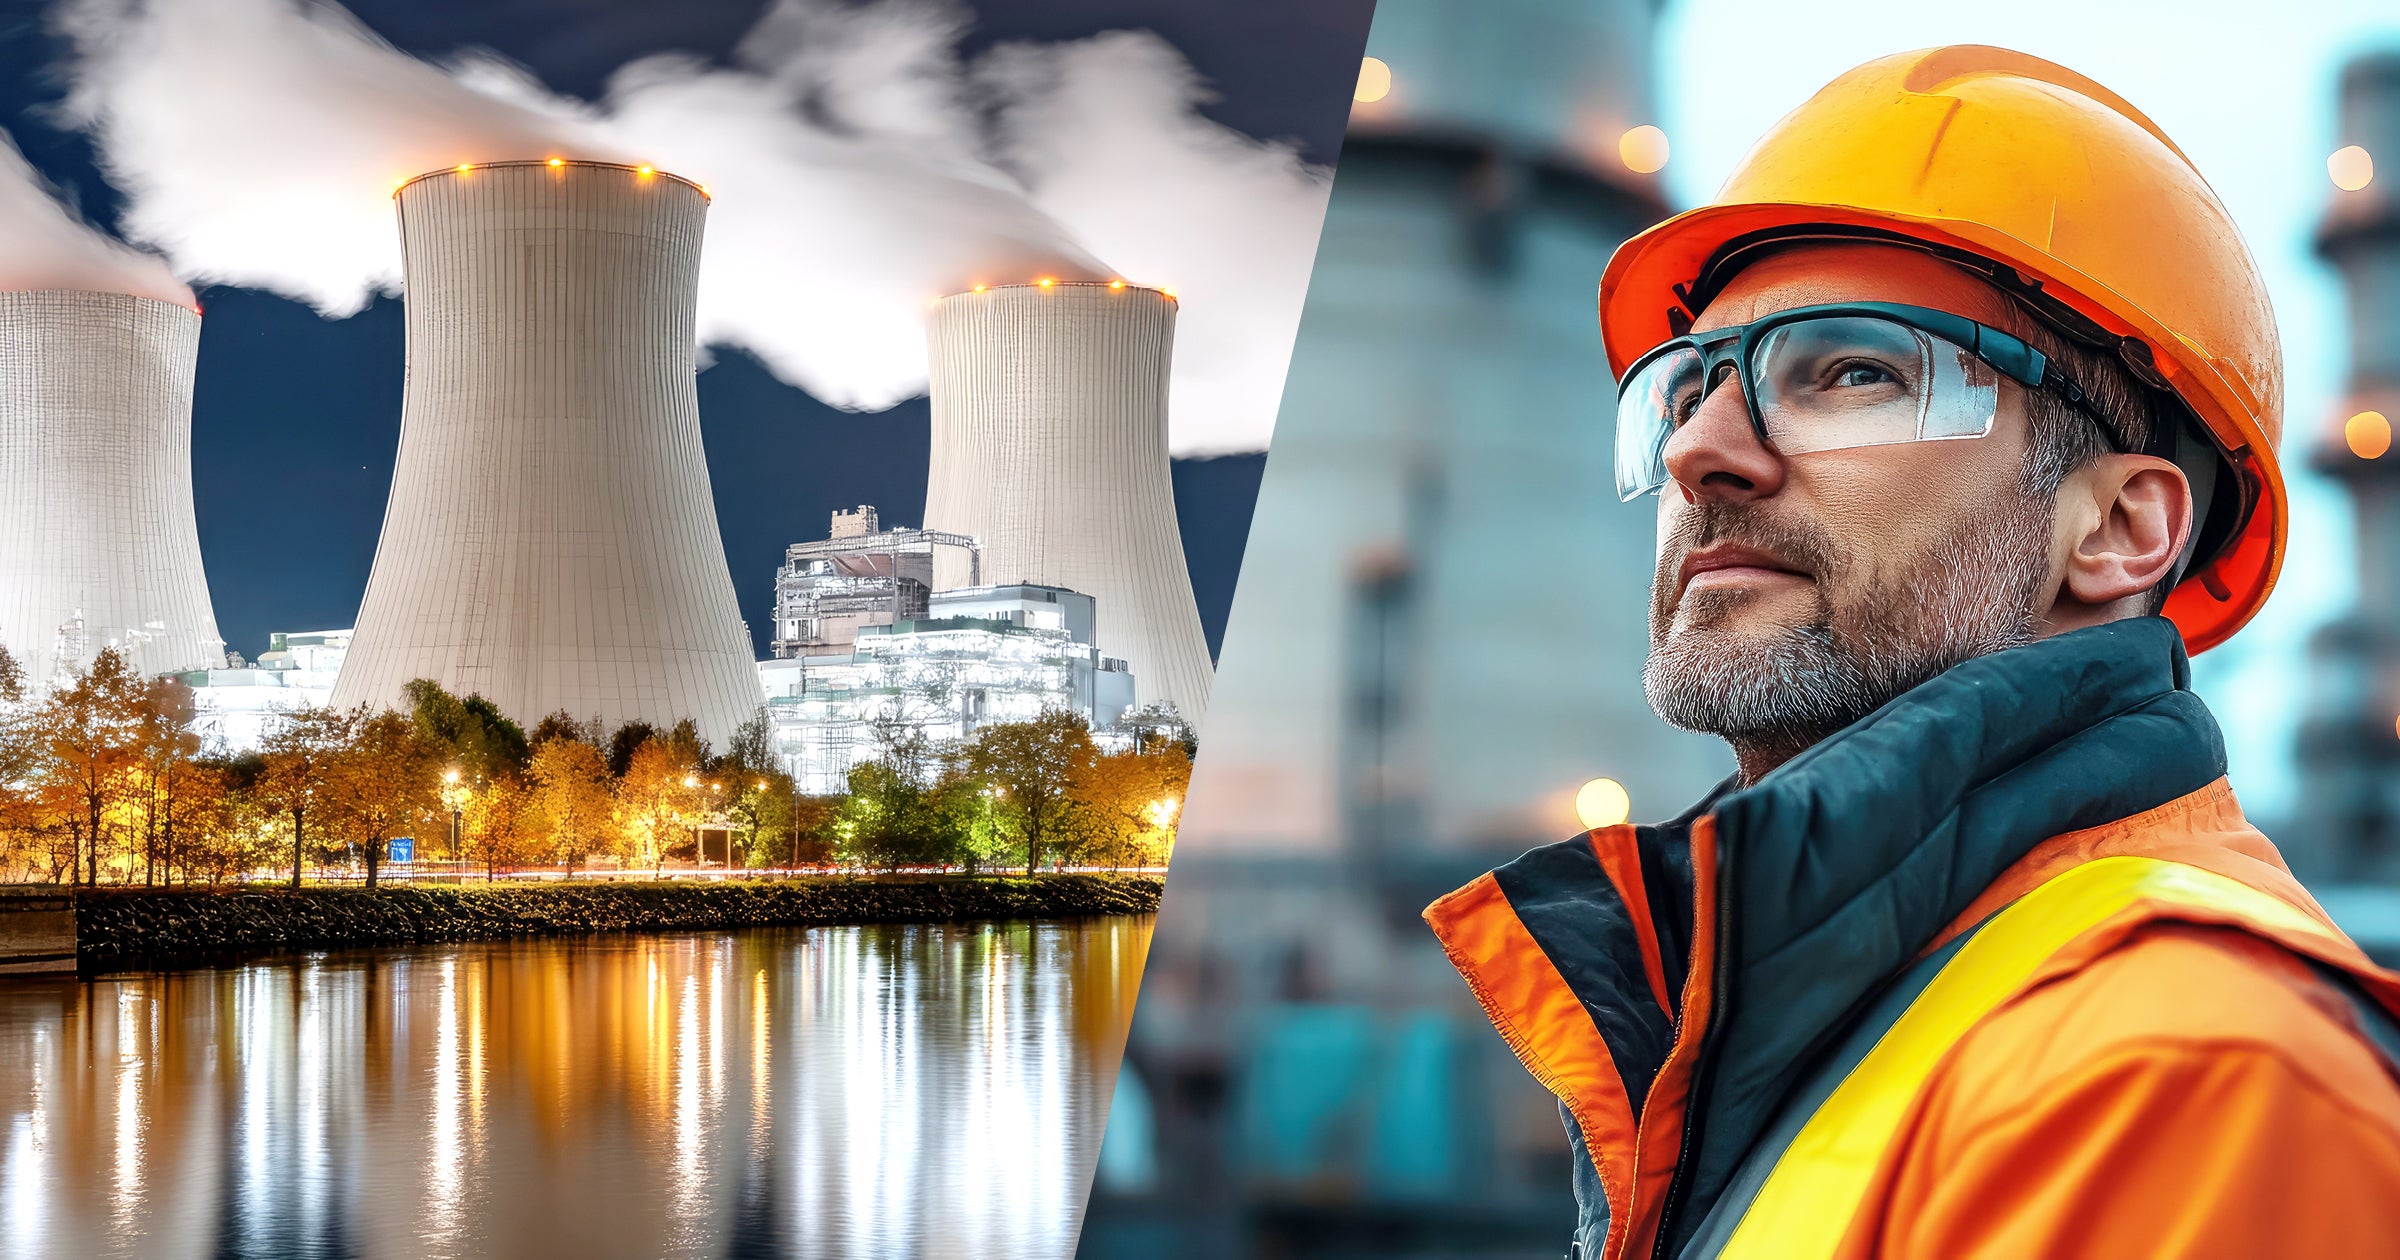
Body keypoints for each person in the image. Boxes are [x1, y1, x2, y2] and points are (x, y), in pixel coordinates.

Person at [1423, 46, 2400, 1260]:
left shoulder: (2186, 1076)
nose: (1702, 451)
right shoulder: (1798, 1030)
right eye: (1683, 391)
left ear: (2115, 527)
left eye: (1855, 371)